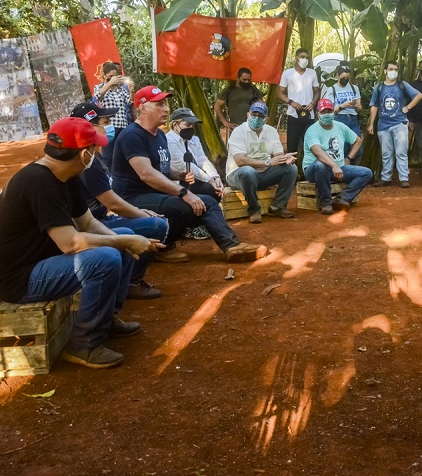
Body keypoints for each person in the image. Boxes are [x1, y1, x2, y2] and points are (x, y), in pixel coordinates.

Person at [0, 117, 158, 368]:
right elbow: (70, 243)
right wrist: (124, 241)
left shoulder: (66, 175)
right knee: (105, 258)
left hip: (43, 263)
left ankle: (105, 321)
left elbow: (86, 223)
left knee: (118, 242)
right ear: (85, 154)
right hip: (20, 278)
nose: (99, 151)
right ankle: (84, 344)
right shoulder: (37, 182)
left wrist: (123, 240)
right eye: (96, 147)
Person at [112, 86, 266, 262]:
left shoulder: (158, 135)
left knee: (205, 201)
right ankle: (165, 247)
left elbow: (161, 167)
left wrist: (180, 175)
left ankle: (232, 246)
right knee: (187, 205)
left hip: (154, 193)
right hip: (133, 197)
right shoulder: (132, 135)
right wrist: (185, 193)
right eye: (160, 105)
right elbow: (147, 174)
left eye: (166, 104)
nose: (166, 109)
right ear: (142, 108)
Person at [70, 102, 180, 300]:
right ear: (89, 127)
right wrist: (140, 212)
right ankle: (131, 282)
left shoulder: (94, 156)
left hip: (96, 220)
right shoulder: (87, 160)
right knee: (154, 224)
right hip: (92, 225)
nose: (109, 127)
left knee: (146, 223)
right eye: (105, 122)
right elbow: (112, 203)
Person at [226, 102, 298, 223]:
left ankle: (277, 207)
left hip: (263, 175)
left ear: (266, 119)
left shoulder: (271, 131)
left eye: (261, 115)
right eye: (254, 114)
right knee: (248, 171)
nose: (257, 118)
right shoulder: (238, 131)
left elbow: (278, 155)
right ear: (248, 114)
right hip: (238, 175)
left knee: (291, 168)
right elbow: (240, 161)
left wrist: (286, 158)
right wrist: (267, 162)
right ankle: (254, 210)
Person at [303, 99, 372, 215]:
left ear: (334, 112)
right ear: (318, 114)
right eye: (323, 111)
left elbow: (357, 141)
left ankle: (342, 198)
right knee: (321, 165)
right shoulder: (312, 130)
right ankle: (326, 202)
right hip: (314, 170)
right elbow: (318, 152)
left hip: (338, 168)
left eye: (329, 111)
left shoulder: (340, 127)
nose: (327, 114)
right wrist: (334, 165)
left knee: (367, 173)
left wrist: (349, 158)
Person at [368, 61, 422, 188]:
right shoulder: (379, 87)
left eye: (396, 69)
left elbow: (419, 95)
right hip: (383, 125)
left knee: (401, 152)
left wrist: (407, 108)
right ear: (385, 71)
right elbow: (374, 106)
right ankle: (386, 178)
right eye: (391, 69)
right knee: (386, 153)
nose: (393, 71)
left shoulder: (402, 85)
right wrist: (371, 123)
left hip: (399, 123)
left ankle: (404, 178)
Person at [166, 107, 223, 202]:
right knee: (209, 190)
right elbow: (182, 165)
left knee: (216, 190)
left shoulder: (194, 139)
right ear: (175, 124)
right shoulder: (169, 140)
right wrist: (209, 180)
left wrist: (215, 177)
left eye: (192, 125)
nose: (191, 128)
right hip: (181, 181)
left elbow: (202, 159)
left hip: (197, 178)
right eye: (188, 125)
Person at [279, 48, 320, 161]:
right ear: (296, 58)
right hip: (293, 115)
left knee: (310, 144)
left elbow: (317, 92)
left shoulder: (312, 73)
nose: (304, 60)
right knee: (292, 145)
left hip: (309, 115)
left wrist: (313, 102)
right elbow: (280, 93)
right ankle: (292, 172)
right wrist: (291, 102)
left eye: (307, 58)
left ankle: (307, 171)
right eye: (302, 57)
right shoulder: (288, 73)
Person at [93, 61, 132, 168]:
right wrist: (109, 83)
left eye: (116, 76)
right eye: (110, 76)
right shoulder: (99, 87)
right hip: (109, 126)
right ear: (104, 76)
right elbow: (97, 97)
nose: (114, 79)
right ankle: (109, 177)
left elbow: (129, 102)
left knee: (123, 153)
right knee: (108, 155)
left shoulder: (121, 89)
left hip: (123, 125)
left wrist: (132, 91)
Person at [322, 62, 363, 163]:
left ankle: (349, 162)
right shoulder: (332, 90)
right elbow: (330, 110)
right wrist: (343, 106)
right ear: (337, 76)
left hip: (352, 119)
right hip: (340, 119)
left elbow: (359, 108)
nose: (345, 80)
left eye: (347, 78)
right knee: (342, 147)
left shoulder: (354, 88)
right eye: (343, 78)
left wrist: (357, 106)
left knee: (358, 148)